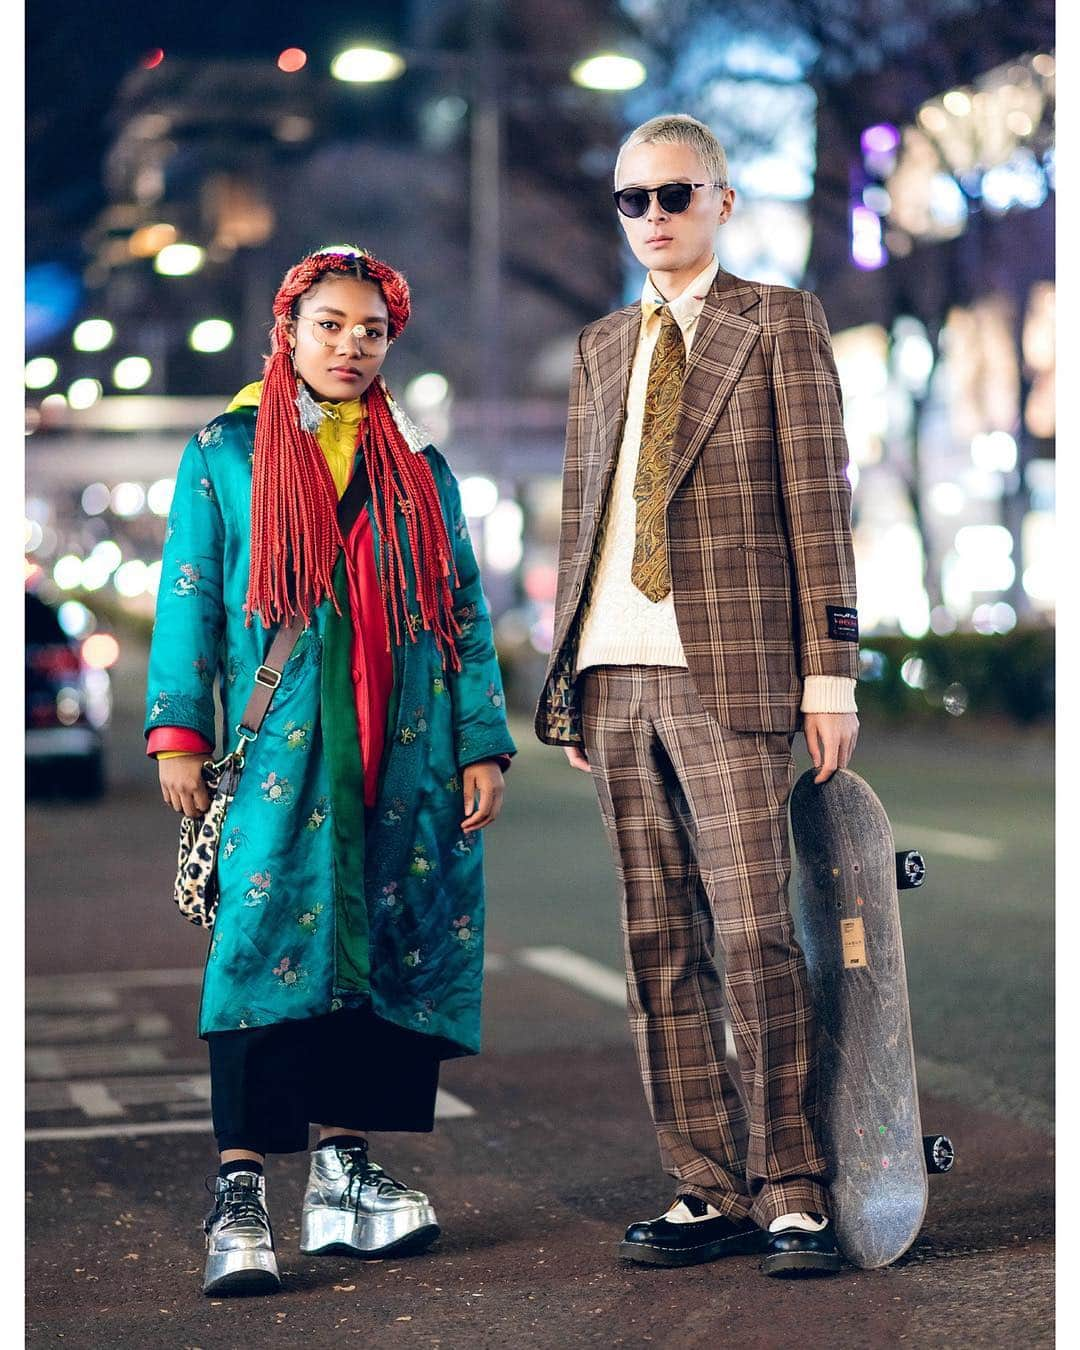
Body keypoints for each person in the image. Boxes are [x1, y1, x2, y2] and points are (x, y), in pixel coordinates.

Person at [146, 245, 515, 1296]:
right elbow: (190, 597)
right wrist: (178, 731)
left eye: (371, 330)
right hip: (283, 753)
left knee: (383, 941)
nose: (351, 347)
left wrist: (481, 741)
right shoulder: (226, 453)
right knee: (259, 951)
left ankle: (346, 1176)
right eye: (330, 326)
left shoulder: (417, 463)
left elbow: (462, 615)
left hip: (404, 753)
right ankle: (242, 1192)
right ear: (290, 333)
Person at [535, 114, 859, 1278]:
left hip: (733, 672)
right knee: (657, 942)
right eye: (633, 201)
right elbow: (583, 525)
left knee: (760, 933)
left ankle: (793, 1186)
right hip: (615, 677)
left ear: (722, 201)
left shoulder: (777, 320)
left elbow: (819, 505)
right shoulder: (600, 346)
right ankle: (705, 1184)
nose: (654, 218)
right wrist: (568, 678)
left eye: (675, 195)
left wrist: (831, 670)